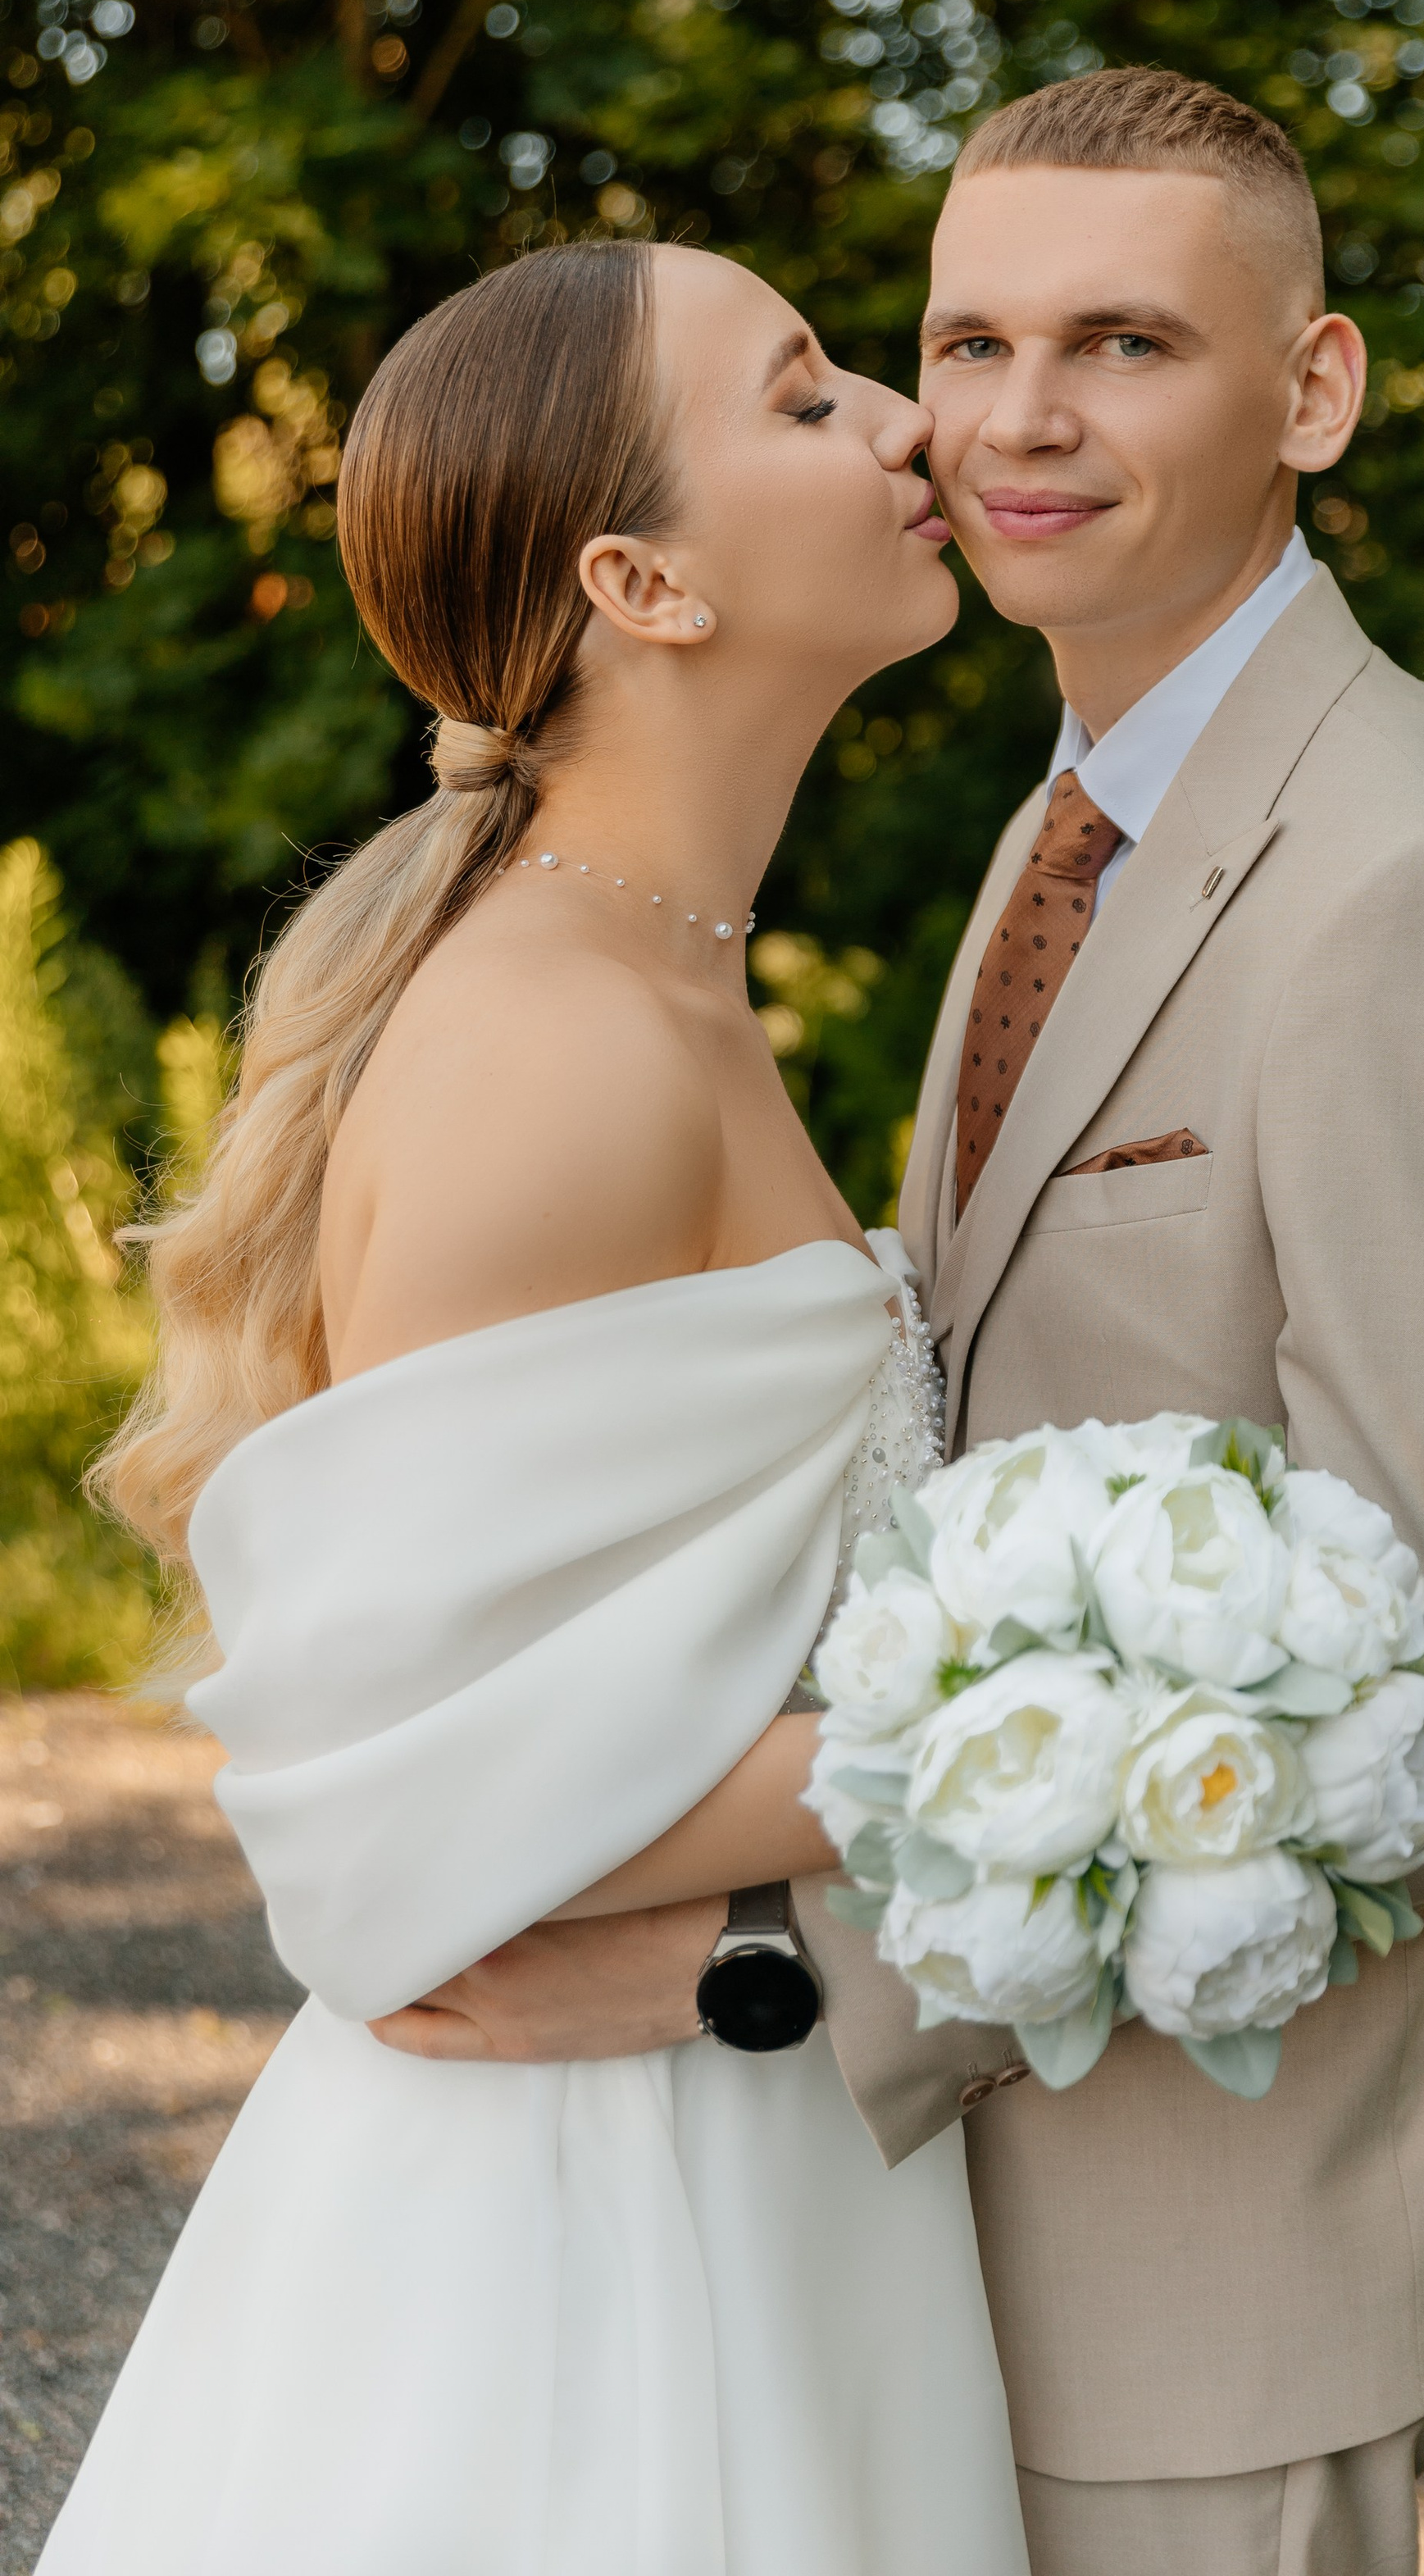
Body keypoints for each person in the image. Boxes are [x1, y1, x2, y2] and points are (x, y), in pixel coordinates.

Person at [429, 68, 1424, 2576]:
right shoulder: (1069, 816)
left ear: (1311, 391)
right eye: (967, 341)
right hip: (949, 2219)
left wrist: (757, 1978)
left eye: (1124, 344)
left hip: (1211, 2233)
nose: (1013, 421)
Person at [37, 240, 1030, 2576]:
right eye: (806, 396)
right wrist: (1055, 1725)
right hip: (589, 2241)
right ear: (639, 582)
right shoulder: (555, 1043)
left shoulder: (659, 985)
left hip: (748, 2149)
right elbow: (426, 1815)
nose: (909, 419)